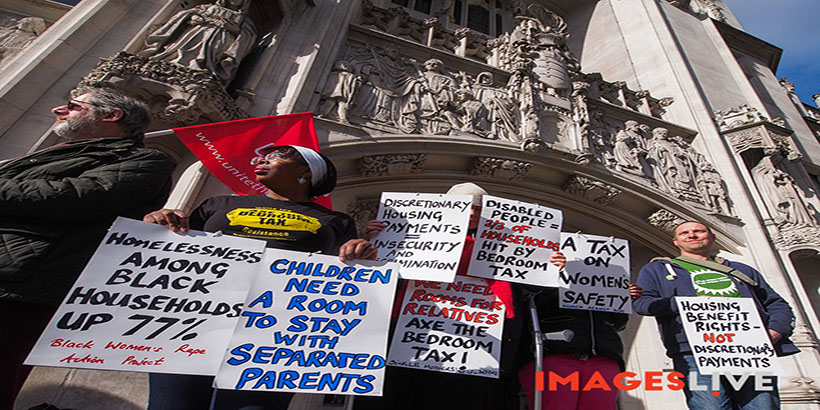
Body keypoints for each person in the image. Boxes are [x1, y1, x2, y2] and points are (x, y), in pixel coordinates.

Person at [143, 144, 377, 410]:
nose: (262, 160)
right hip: (195, 322)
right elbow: (176, 251)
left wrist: (361, 249)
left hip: (275, 334)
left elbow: (345, 273)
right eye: (263, 156)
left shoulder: (336, 220)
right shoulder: (218, 204)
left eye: (277, 157)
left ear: (306, 172)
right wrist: (162, 222)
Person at [0, 87, 174, 409]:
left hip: (19, 284)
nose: (57, 110)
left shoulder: (143, 160)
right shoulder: (46, 156)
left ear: (111, 115)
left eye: (72, 106)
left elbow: (82, 196)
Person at [355, 182, 566, 410]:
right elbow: (378, 279)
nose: (473, 212)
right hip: (413, 344)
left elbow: (528, 294)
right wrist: (378, 242)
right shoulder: (408, 239)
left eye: (479, 208)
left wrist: (548, 268)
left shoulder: (508, 249)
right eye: (466, 205)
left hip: (476, 351)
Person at [633, 221, 799, 410]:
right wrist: (685, 304)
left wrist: (775, 331)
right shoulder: (658, 270)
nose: (692, 235)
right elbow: (643, 304)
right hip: (693, 353)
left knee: (762, 406)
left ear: (712, 237)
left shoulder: (743, 270)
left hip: (750, 350)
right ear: (676, 242)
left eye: (698, 231)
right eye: (684, 233)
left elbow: (776, 303)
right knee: (710, 407)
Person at [514, 282, 641, 410]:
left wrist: (622, 298)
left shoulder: (607, 275)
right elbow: (524, 304)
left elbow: (619, 323)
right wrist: (557, 280)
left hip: (603, 356)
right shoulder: (542, 269)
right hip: (554, 353)